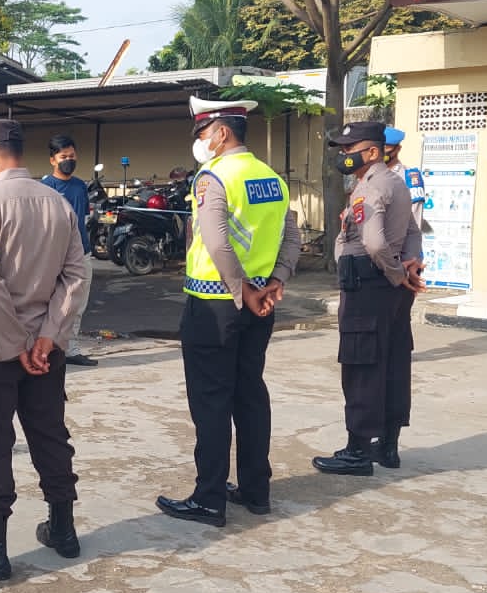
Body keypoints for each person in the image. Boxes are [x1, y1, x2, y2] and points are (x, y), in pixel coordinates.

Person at [0, 119, 89, 581]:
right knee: (49, 433)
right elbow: (76, 275)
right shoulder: (58, 202)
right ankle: (63, 529)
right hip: (46, 350)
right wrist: (48, 336)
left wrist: (15, 344)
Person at [157, 98, 301, 527]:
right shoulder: (272, 178)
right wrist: (276, 281)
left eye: (202, 133)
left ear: (221, 133)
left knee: (211, 401)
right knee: (250, 394)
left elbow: (217, 241)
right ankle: (256, 491)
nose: (200, 142)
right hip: (260, 305)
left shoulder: (214, 176)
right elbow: (291, 237)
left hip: (215, 306)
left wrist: (241, 290)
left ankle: (209, 498)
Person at [314, 121, 426, 476]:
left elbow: (375, 243)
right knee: (393, 363)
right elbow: (413, 232)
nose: (344, 156)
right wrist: (408, 266)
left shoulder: (370, 187)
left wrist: (395, 273)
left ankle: (358, 451)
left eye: (350, 149)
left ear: (373, 151)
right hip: (392, 289)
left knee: (361, 366)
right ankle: (387, 446)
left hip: (368, 285)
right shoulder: (396, 182)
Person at [40, 134, 98, 367]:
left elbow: (84, 218)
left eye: (72, 156)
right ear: (52, 160)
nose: (69, 160)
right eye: (63, 157)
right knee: (51, 302)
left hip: (81, 253)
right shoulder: (46, 187)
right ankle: (47, 346)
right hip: (55, 255)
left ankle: (70, 349)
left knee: (78, 303)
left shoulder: (80, 186)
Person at [383, 127, 429, 231]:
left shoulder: (409, 177)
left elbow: (415, 220)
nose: (382, 152)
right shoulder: (370, 175)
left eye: (386, 147)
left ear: (398, 149)